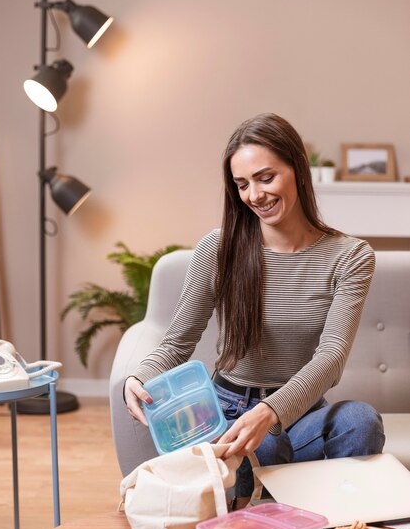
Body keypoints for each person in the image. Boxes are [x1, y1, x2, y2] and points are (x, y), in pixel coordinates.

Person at [123, 113, 385, 508]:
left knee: (359, 421)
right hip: (224, 414)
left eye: (266, 178)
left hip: (297, 415)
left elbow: (331, 358)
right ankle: (265, 519)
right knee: (263, 448)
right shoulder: (219, 248)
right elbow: (178, 340)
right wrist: (139, 376)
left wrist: (270, 412)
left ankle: (343, 525)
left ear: (297, 168)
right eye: (242, 184)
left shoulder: (349, 256)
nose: (255, 195)